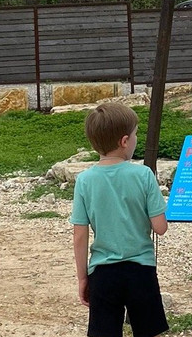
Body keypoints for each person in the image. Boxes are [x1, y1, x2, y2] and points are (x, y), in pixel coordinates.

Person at [71, 103, 169, 337]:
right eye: (135, 134)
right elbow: (160, 227)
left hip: (103, 273)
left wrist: (83, 278)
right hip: (141, 270)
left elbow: (80, 235)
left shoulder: (84, 180)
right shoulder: (144, 175)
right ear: (124, 141)